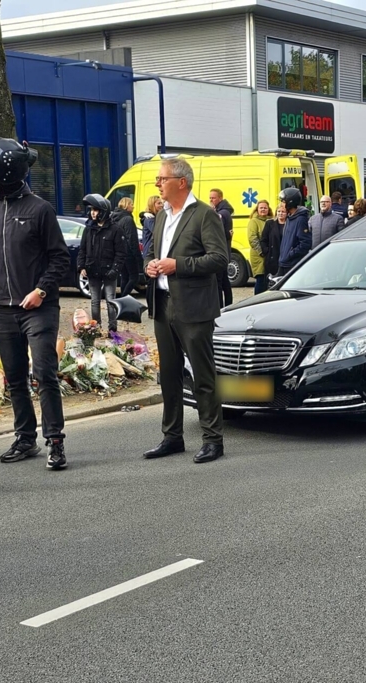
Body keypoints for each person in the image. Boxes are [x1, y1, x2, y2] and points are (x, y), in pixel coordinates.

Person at [0, 138, 71, 471]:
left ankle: (54, 441)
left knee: (44, 373)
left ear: (9, 169)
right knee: (14, 378)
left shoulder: (40, 209)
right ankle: (25, 438)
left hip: (39, 307)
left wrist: (41, 289)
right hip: (6, 311)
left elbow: (59, 258)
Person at [143, 157, 228, 464]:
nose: (157, 184)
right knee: (169, 375)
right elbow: (152, 253)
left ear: (181, 182)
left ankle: (212, 439)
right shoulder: (162, 216)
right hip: (163, 305)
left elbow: (219, 259)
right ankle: (172, 436)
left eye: (161, 178)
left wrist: (178, 266)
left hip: (195, 308)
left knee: (203, 376)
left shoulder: (204, 215)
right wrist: (150, 265)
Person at [78, 193, 126, 332]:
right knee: (95, 302)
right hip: (93, 270)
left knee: (111, 301)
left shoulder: (115, 229)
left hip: (109, 271)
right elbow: (83, 249)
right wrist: (81, 266)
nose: (93, 213)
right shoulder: (89, 229)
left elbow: (120, 253)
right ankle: (96, 329)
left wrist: (114, 270)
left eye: (96, 210)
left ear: (103, 211)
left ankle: (112, 330)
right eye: (91, 210)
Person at [277, 187, 311, 276]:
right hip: (283, 263)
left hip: (292, 265)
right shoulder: (289, 218)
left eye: (283, 201)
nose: (281, 204)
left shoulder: (301, 219)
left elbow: (305, 243)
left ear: (290, 202)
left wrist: (290, 254)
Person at [111, 197, 142, 296]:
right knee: (134, 277)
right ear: (126, 205)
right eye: (131, 204)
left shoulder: (114, 218)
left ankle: (122, 299)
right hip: (128, 253)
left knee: (125, 276)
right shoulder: (128, 219)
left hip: (119, 252)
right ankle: (124, 297)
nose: (133, 206)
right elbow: (132, 239)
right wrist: (138, 256)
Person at [208, 188, 234, 306]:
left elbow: (218, 233)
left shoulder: (221, 214)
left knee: (218, 283)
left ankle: (220, 307)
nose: (210, 200)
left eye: (213, 198)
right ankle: (228, 305)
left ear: (220, 198)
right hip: (224, 251)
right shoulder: (224, 211)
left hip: (219, 252)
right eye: (210, 198)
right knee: (225, 282)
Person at [246, 199, 272, 294]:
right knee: (260, 280)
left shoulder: (271, 221)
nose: (263, 209)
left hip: (269, 255)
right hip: (259, 256)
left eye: (265, 208)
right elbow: (252, 238)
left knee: (268, 281)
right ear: (257, 209)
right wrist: (262, 252)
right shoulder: (254, 221)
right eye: (261, 208)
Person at [263, 205, 286, 278]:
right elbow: (263, 239)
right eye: (279, 211)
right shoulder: (270, 223)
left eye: (283, 212)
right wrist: (267, 251)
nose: (280, 213)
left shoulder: (290, 224)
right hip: (272, 258)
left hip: (285, 257)